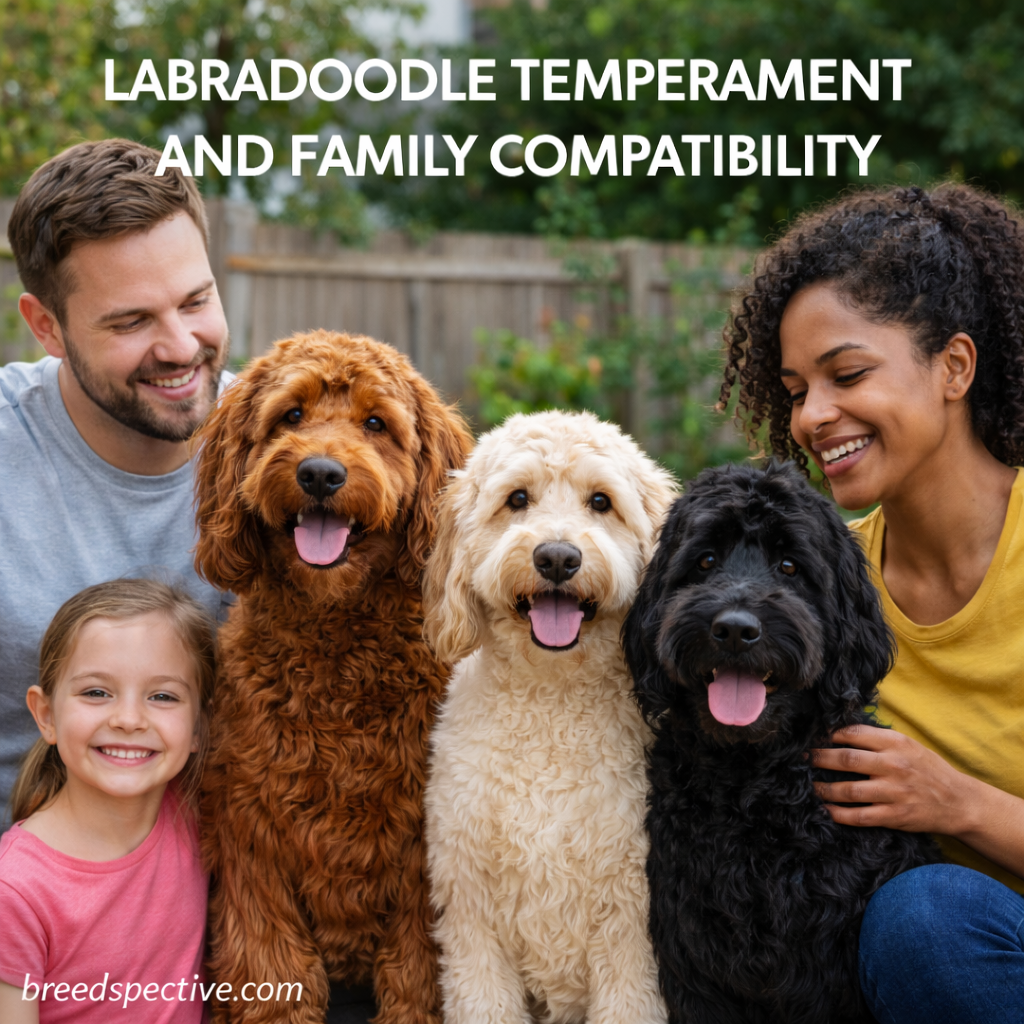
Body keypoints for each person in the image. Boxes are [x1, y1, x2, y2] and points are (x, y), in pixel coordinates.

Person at [719, 183, 1024, 1024]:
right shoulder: (821, 586)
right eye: (793, 389)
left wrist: (959, 802)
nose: (814, 417)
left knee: (926, 920)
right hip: (901, 976)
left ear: (954, 367)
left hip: (964, 945)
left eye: (847, 373)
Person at [1, 139, 232, 823]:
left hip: (233, 897)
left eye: (195, 301)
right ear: (47, 326)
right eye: (131, 321)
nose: (181, 347)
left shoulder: (289, 451)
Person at [0, 578, 215, 1023]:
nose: (129, 719)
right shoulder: (15, 890)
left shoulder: (198, 818)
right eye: (96, 692)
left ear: (198, 727)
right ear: (46, 715)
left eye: (163, 696)